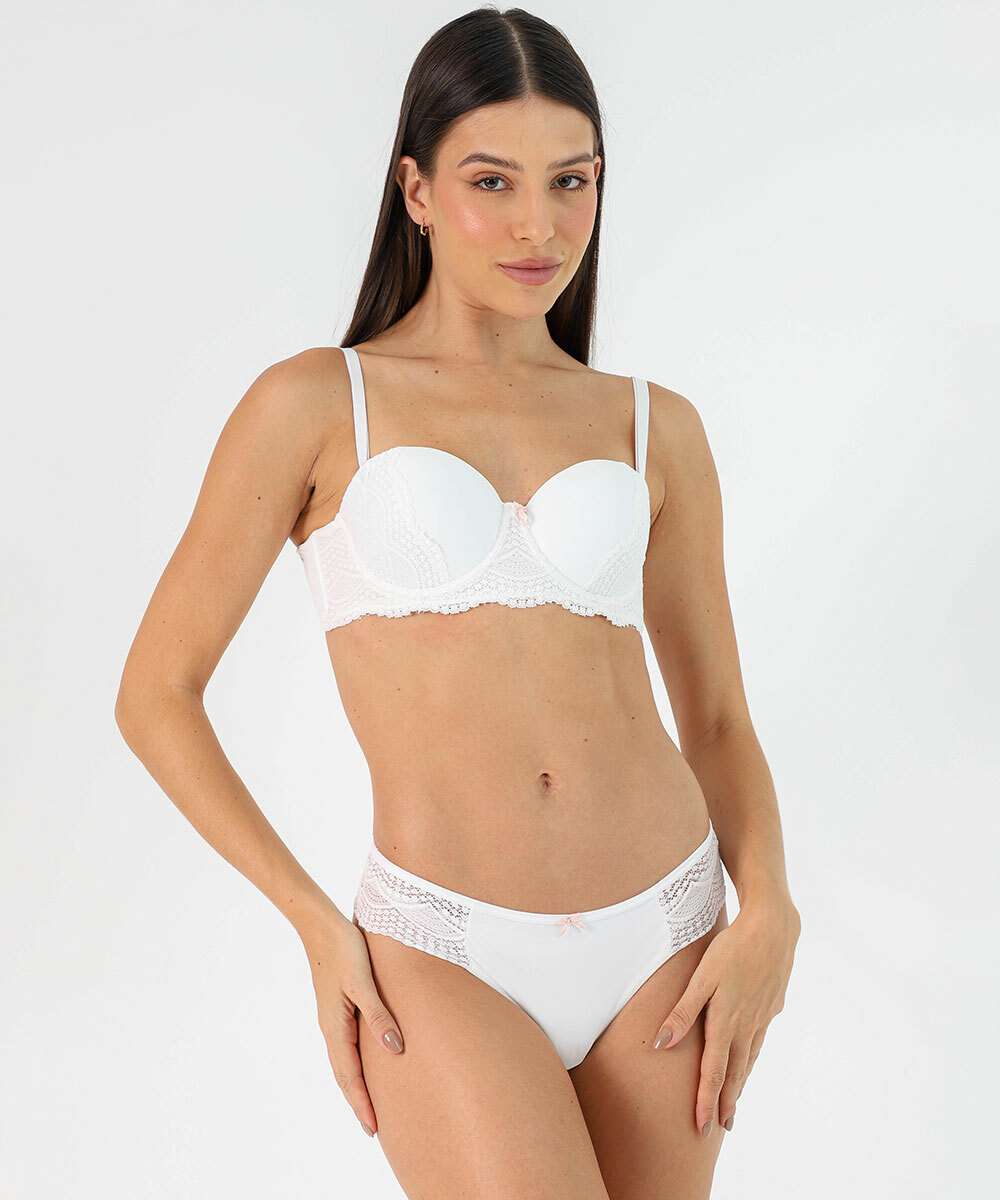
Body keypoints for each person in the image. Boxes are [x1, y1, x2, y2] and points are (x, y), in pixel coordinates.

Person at [115, 7, 801, 1198]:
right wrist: (314, 922)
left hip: (670, 926)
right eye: (493, 181)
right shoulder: (315, 404)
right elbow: (155, 694)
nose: (540, 225)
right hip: (442, 944)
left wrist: (771, 908)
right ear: (416, 190)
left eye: (570, 181)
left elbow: (717, 717)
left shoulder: (654, 426)